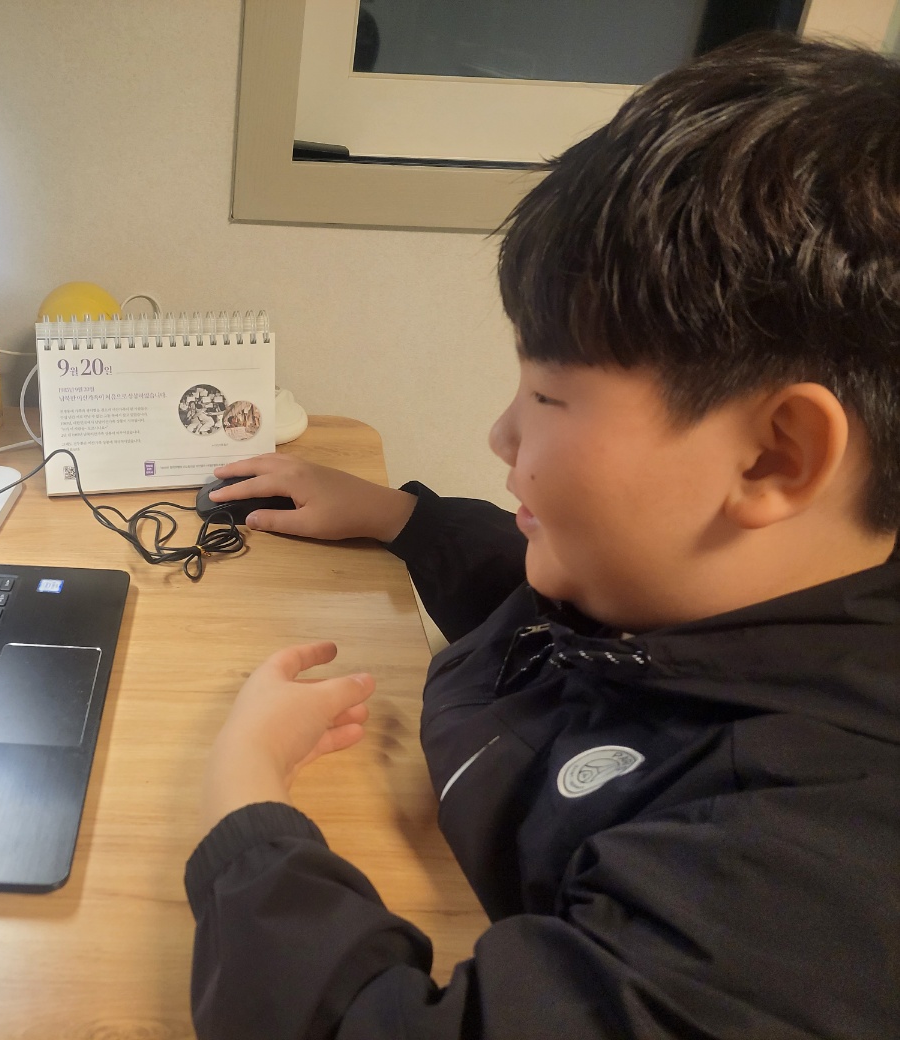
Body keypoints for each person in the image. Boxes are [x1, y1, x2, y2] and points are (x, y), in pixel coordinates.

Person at [186, 33, 900, 1040]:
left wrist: (242, 803)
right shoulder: (732, 590)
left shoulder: (788, 883)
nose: (501, 434)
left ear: (772, 457)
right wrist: (400, 517)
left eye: (549, 396)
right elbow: (560, 604)